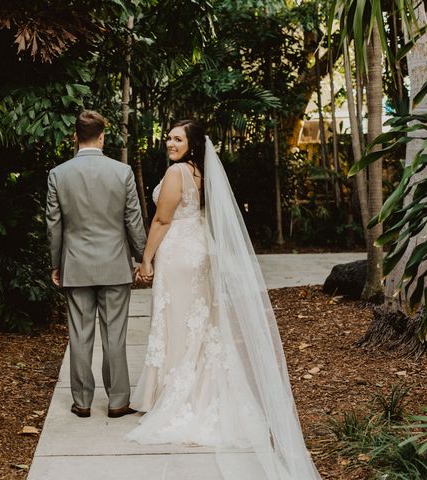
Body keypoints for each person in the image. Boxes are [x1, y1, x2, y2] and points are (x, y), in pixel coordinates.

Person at [128, 120, 322, 480]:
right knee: (198, 323)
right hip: (201, 250)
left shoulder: (175, 173)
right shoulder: (203, 173)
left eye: (177, 138)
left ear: (192, 143)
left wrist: (146, 259)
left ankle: (177, 396)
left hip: (180, 255)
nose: (169, 143)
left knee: (175, 321)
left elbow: (162, 220)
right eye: (168, 138)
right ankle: (195, 389)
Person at [46, 110, 147, 419]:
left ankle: (82, 401)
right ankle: (118, 401)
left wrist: (55, 263)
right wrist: (143, 257)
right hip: (115, 264)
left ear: (75, 136)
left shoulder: (58, 174)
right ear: (102, 136)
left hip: (75, 265)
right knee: (114, 334)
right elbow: (133, 220)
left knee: (79, 334)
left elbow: (53, 225)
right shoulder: (122, 172)